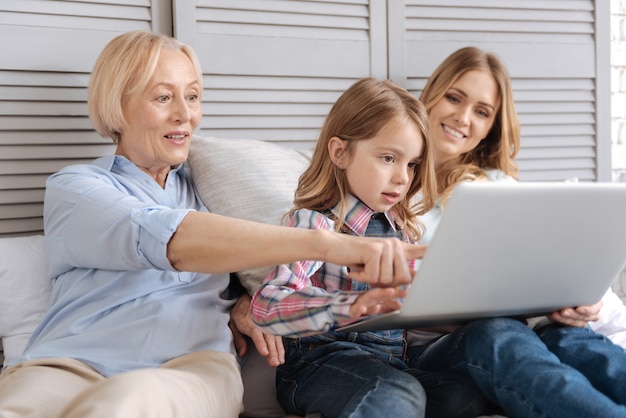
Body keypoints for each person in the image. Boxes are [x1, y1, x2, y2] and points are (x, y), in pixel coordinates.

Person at [0, 31, 425, 418]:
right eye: (163, 98)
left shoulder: (213, 193)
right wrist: (329, 245)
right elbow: (170, 237)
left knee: (131, 402)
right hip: (67, 363)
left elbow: (259, 267)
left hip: (189, 367)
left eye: (193, 96)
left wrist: (241, 301)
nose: (185, 115)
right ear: (119, 105)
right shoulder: (77, 189)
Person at [405, 46, 626, 417]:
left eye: (481, 111)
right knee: (494, 333)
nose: (462, 118)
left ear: (491, 126)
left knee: (572, 340)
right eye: (454, 98)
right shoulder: (390, 182)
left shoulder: (497, 186)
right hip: (440, 345)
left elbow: (544, 266)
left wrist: (583, 304)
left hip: (518, 329)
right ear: (432, 95)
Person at [250, 76, 488, 418]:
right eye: (388, 158)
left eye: (411, 164)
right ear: (340, 152)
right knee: (399, 393)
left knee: (463, 394)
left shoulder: (402, 233)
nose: (403, 178)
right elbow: (268, 305)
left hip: (389, 363)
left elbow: (416, 307)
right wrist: (349, 305)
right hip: (322, 362)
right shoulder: (315, 224)